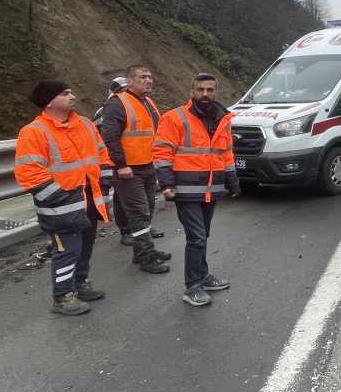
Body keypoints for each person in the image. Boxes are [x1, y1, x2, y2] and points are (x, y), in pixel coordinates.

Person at [14, 81, 112, 315]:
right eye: (65, 93)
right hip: (60, 206)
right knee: (67, 250)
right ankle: (63, 296)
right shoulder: (33, 132)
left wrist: (106, 179)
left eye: (71, 92)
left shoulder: (86, 124)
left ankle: (80, 283)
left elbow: (102, 153)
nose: (72, 96)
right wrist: (59, 196)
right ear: (49, 101)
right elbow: (29, 172)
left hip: (89, 200)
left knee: (85, 247)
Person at [153, 73, 240, 306]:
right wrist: (167, 183)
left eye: (210, 90)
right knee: (197, 237)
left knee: (203, 236)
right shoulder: (174, 118)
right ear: (191, 91)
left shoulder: (223, 119)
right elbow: (162, 153)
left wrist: (232, 179)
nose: (205, 94)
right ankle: (193, 286)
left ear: (215, 92)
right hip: (186, 190)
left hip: (211, 189)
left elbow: (226, 152)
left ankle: (203, 276)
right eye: (200, 89)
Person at [98, 65, 170, 274]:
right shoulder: (117, 104)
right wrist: (120, 165)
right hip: (129, 170)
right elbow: (110, 137)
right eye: (142, 77)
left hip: (149, 166)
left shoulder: (148, 103)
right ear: (129, 81)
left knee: (147, 209)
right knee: (139, 213)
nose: (148, 80)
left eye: (150, 76)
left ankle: (141, 253)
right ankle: (147, 257)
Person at [94, 76, 130, 232]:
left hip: (129, 159)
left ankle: (140, 226)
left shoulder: (134, 107)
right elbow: (106, 137)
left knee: (132, 196)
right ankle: (124, 229)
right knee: (120, 196)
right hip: (111, 160)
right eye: (122, 91)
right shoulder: (107, 109)